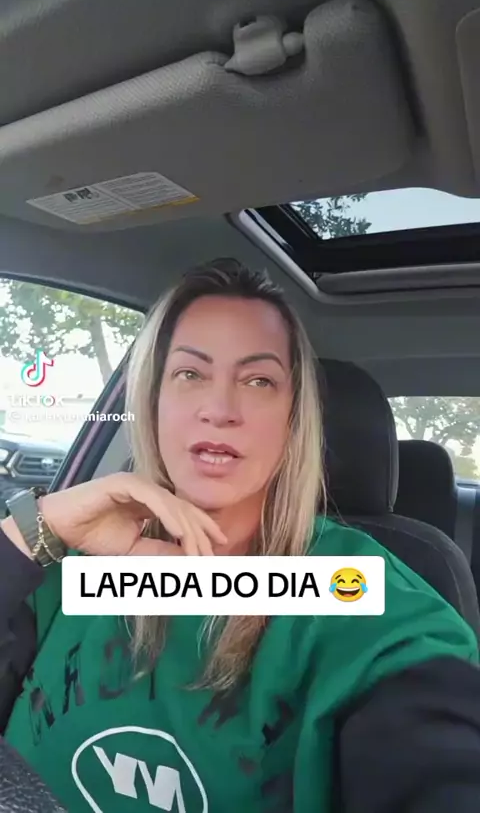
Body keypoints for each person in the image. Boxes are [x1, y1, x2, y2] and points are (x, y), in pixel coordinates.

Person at [0, 257, 479, 813]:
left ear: (294, 419)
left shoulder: (362, 595)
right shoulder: (71, 565)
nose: (219, 409)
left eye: (258, 381)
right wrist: (35, 529)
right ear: (153, 401)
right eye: (190, 374)